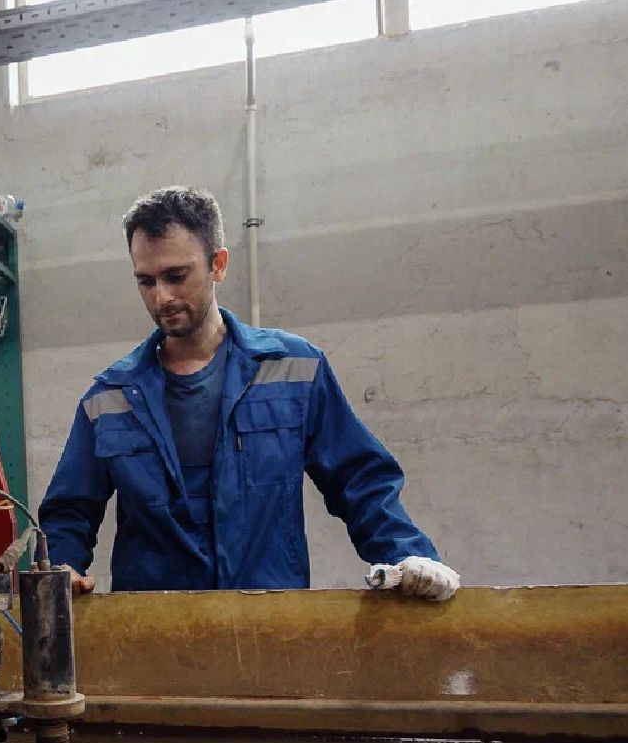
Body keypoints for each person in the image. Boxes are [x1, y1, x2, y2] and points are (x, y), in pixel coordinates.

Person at [39, 186, 459, 600]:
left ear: (218, 265)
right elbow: (69, 510)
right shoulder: (109, 398)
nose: (161, 296)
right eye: (145, 281)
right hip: (159, 634)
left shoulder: (293, 369)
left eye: (176, 276)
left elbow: (360, 480)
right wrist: (63, 568)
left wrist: (408, 556)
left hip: (269, 624)